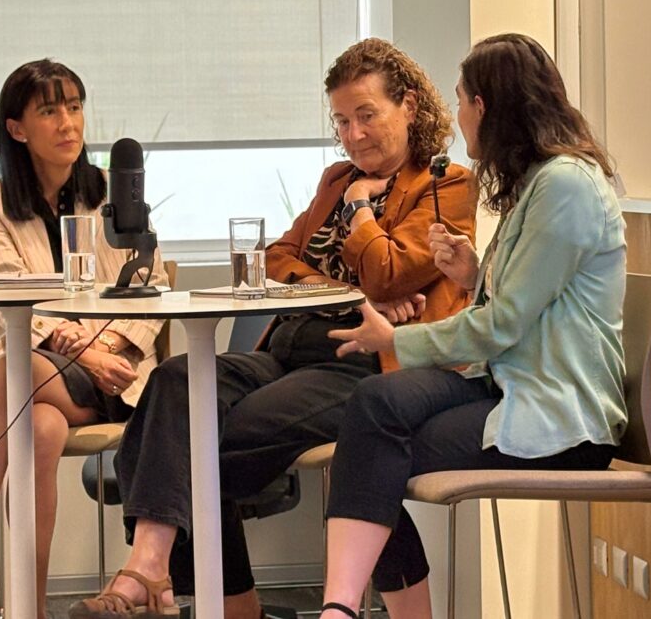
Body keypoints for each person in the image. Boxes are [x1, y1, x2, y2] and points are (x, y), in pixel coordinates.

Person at [68, 38, 478, 618]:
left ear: (408, 106)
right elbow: (279, 257)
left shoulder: (445, 184)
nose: (354, 135)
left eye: (366, 115)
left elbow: (390, 271)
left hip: (361, 363)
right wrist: (347, 291)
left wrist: (360, 210)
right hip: (285, 348)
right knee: (175, 382)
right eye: (342, 121)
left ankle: (178, 588)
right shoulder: (336, 178)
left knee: (193, 450)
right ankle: (153, 567)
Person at [320, 33, 627, 619]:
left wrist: (396, 339)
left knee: (374, 453)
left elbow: (503, 324)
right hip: (508, 383)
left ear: (483, 106)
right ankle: (342, 607)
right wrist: (475, 272)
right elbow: (528, 301)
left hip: (563, 417)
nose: (457, 118)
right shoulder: (538, 183)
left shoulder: (565, 185)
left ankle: (340, 609)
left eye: (461, 101)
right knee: (374, 404)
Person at [0, 60, 168, 619]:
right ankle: (28, 610)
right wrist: (76, 346)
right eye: (50, 111)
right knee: (40, 427)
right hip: (42, 371)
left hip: (114, 372)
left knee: (15, 368)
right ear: (17, 128)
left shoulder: (114, 193)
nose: (68, 123)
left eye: (75, 107)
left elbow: (150, 286)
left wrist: (106, 350)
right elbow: (4, 290)